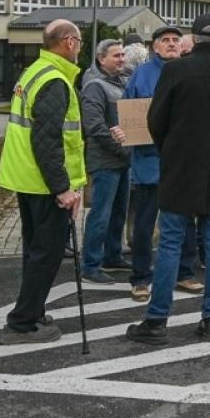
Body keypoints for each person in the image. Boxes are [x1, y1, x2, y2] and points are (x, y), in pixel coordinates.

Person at [125, 14, 210, 345]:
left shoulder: (175, 70)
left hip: (179, 165)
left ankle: (156, 320)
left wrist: (170, 149)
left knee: (170, 241)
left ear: (193, 38)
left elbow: (156, 120)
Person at [0, 20, 86, 344]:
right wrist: (62, 188)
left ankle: (31, 311)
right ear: (68, 42)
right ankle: (22, 323)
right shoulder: (54, 80)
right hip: (45, 183)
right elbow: (47, 139)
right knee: (46, 255)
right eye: (80, 42)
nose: (81, 48)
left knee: (36, 252)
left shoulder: (35, 70)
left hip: (28, 178)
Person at [124, 24, 201, 301]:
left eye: (175, 40)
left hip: (183, 162)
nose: (170, 43)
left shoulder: (191, 71)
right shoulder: (140, 76)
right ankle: (141, 278)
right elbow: (128, 114)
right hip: (149, 162)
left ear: (182, 45)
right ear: (154, 47)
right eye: (164, 40)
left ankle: (185, 272)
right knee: (145, 224)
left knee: (186, 222)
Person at [78, 38, 129, 284]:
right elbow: (94, 126)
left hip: (122, 159)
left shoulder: (121, 83)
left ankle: (113, 255)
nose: (122, 59)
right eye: (116, 56)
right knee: (101, 213)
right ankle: (90, 264)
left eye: (122, 55)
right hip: (105, 160)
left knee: (119, 212)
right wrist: (119, 148)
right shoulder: (95, 87)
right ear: (101, 59)